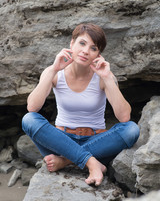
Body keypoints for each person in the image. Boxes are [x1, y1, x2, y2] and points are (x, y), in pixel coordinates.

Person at [22, 23, 140, 186]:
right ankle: (91, 163)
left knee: (132, 129)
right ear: (72, 43)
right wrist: (53, 69)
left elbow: (124, 117)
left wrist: (106, 77)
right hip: (61, 142)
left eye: (93, 48)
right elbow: (32, 108)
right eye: (82, 43)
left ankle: (65, 162)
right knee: (29, 119)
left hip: (97, 143)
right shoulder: (55, 72)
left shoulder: (103, 76)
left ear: (98, 54)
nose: (85, 51)